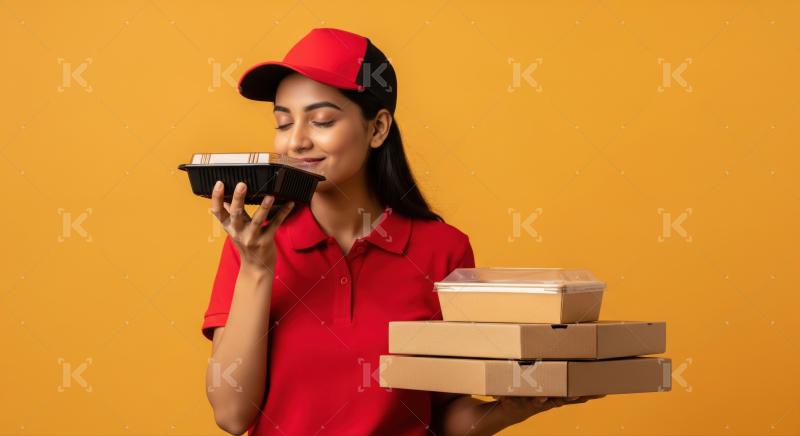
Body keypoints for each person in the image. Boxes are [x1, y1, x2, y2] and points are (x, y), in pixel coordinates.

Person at [201, 27, 602, 435]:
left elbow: (442, 414)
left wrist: (510, 410)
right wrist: (256, 268)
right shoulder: (252, 245)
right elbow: (231, 415)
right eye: (284, 123)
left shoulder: (443, 251)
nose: (297, 142)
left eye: (322, 121)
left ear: (377, 128)